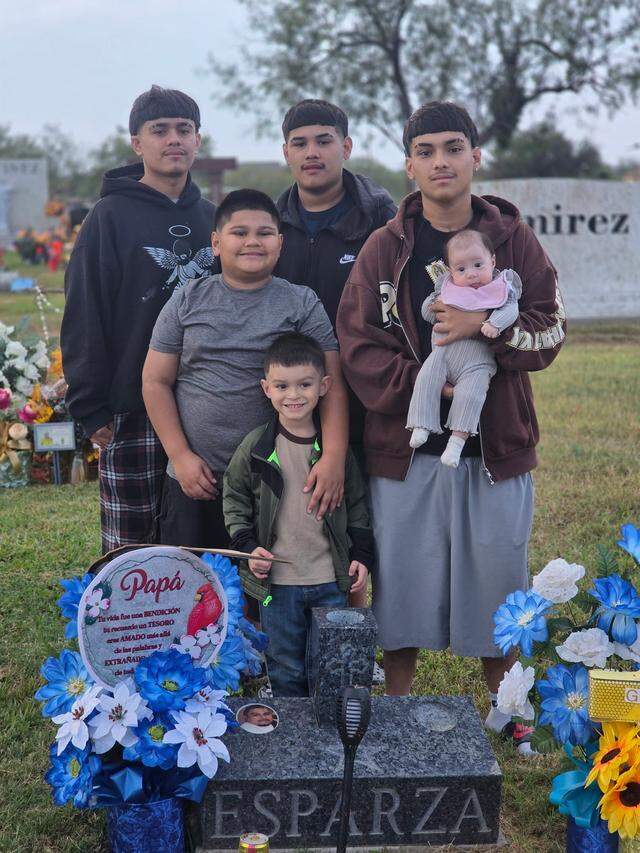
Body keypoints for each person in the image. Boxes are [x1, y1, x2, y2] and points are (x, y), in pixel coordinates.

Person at [336, 100, 566, 752]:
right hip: (405, 449)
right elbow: (356, 343)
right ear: (409, 164)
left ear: (475, 157)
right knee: (403, 584)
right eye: (427, 150)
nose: (441, 161)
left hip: (495, 447)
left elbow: (550, 326)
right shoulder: (387, 247)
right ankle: (399, 712)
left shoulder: (512, 239)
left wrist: (485, 337)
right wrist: (426, 385)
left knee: (499, 582)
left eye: (453, 148)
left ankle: (510, 711)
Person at [143, 190, 349, 550]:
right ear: (216, 243)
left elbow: (332, 385)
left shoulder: (301, 302)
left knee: (265, 594)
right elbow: (155, 381)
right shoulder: (187, 299)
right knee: (194, 590)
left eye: (264, 233)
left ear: (280, 244)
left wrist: (332, 458)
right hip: (197, 478)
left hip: (276, 478)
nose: (252, 241)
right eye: (239, 233)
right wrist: (180, 456)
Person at [61, 85, 216, 553]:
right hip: (132, 408)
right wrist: (90, 404)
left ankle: (201, 629)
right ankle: (129, 627)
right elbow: (84, 309)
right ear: (136, 142)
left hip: (205, 404)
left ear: (198, 140)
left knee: (198, 543)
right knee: (133, 550)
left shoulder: (213, 217)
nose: (174, 139)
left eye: (184, 130)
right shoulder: (108, 217)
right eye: (160, 130)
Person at [274, 98, 396, 616]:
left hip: (366, 390)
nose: (312, 152)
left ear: (346, 147)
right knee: (292, 516)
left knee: (357, 521)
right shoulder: (271, 221)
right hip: (291, 395)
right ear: (286, 153)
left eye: (324, 140)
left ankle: (352, 635)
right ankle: (284, 639)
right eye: (300, 143)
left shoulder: (381, 219)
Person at [223, 332, 374, 697]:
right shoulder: (258, 447)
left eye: (304, 384)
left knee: (332, 663)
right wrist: (248, 546)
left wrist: (361, 557)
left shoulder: (334, 453)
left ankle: (328, 734)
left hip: (329, 579)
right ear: (266, 389)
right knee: (285, 665)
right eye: (282, 386)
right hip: (278, 584)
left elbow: (357, 505)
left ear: (323, 386)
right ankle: (293, 738)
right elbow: (234, 495)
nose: (293, 395)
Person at [407, 229, 521, 467]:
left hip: (478, 363)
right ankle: (421, 424)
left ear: (492, 261)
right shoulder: (447, 288)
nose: (471, 275)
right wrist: (432, 305)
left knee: (472, 395)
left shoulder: (501, 288)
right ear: (450, 271)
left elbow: (511, 311)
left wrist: (493, 323)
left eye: (478, 265)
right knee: (426, 379)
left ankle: (456, 443)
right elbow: (428, 313)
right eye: (461, 269)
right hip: (443, 354)